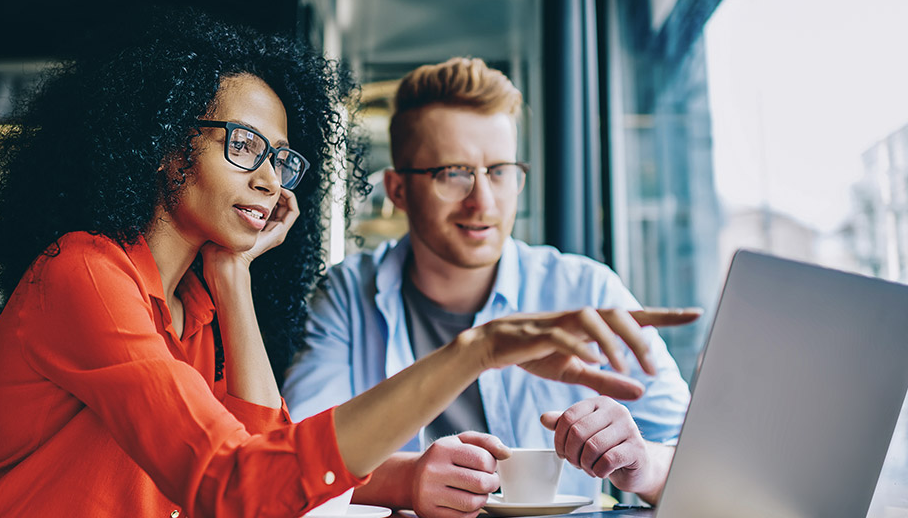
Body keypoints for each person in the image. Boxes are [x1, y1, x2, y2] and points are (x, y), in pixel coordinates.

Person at [0, 12, 695, 518]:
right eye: (244, 146)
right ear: (162, 146)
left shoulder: (195, 304)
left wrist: (232, 278)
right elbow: (237, 487)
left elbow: (265, 464)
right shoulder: (85, 275)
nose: (269, 179)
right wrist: (478, 350)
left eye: (281, 159)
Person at [282, 57, 697, 517]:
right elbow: (294, 460)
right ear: (398, 190)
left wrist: (643, 467)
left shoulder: (585, 290)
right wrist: (406, 480)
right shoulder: (347, 295)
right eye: (453, 173)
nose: (483, 201)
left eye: (499, 171)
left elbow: (702, 459)